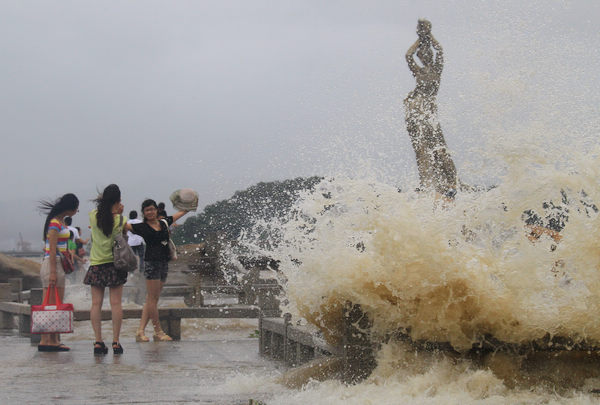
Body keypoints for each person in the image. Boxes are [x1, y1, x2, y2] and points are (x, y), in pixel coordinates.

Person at [124, 199, 195, 342]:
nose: (150, 212)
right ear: (143, 213)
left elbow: (177, 216)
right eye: (147, 210)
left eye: (152, 209)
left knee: (152, 299)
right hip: (151, 264)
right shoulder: (142, 227)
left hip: (164, 263)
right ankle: (158, 331)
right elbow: (122, 225)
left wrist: (188, 208)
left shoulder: (163, 223)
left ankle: (140, 331)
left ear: (156, 210)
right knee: (152, 299)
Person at [404, 19, 457, 197]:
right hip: (417, 108)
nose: (425, 55)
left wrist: (428, 36)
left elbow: (440, 50)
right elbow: (408, 55)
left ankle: (449, 182)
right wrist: (420, 40)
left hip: (429, 109)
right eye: (422, 54)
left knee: (438, 145)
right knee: (422, 147)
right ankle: (427, 181)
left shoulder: (437, 69)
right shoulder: (419, 72)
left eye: (428, 53)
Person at [83, 184, 128, 355]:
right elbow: (123, 232)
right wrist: (119, 213)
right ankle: (116, 342)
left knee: (96, 304)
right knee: (115, 303)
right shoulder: (120, 220)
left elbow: (101, 213)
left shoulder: (93, 216)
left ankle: (98, 342)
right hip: (115, 265)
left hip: (96, 264)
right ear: (118, 201)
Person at [37, 193, 79, 352]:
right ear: (71, 207)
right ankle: (46, 339)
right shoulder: (54, 223)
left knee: (55, 304)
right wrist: (53, 272)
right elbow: (52, 249)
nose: (77, 211)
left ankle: (52, 338)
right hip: (52, 264)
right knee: (51, 303)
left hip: (58, 264)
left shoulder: (59, 222)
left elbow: (62, 244)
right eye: (76, 208)